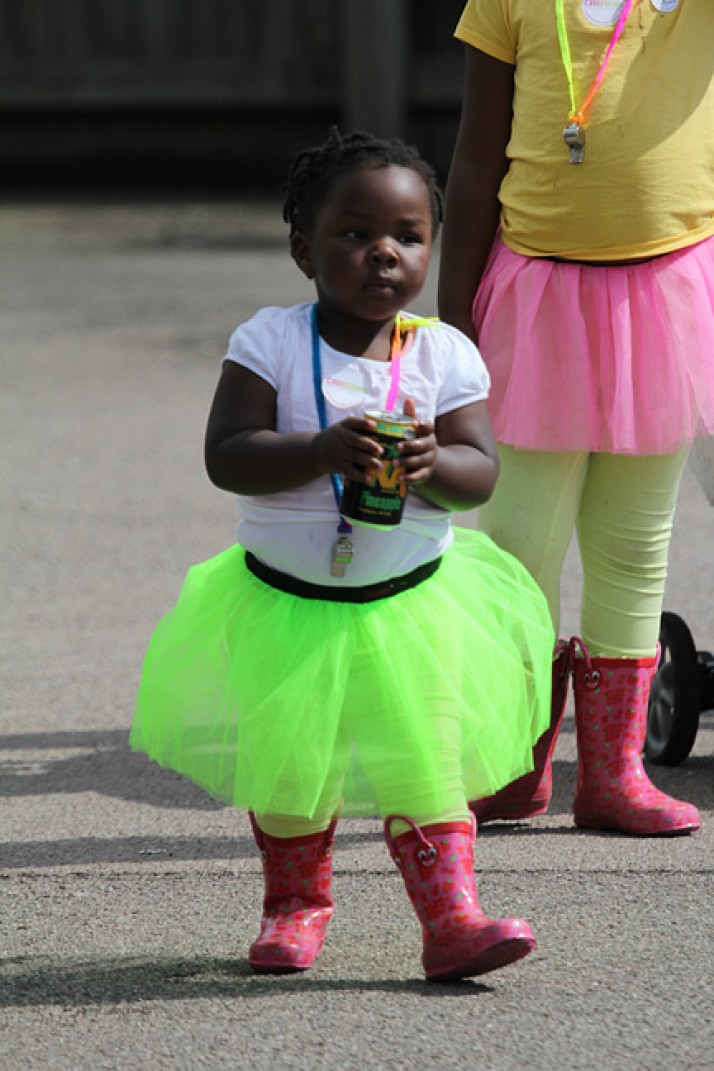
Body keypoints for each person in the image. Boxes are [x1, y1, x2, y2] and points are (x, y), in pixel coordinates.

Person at [130, 128, 555, 981]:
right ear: (303, 248)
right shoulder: (271, 341)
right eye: (354, 234)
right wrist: (320, 451)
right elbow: (228, 453)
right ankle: (295, 904)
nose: (383, 255)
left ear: (431, 248)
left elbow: (480, 473)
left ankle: (453, 918)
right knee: (295, 768)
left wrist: (439, 464)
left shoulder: (443, 352)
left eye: (407, 236)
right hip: (286, 605)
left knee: (424, 759)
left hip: (413, 603)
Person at [438, 0, 714, 836]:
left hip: (667, 296)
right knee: (519, 545)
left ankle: (614, 775)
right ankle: (508, 764)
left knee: (635, 542)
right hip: (537, 293)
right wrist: (453, 317)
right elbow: (477, 150)